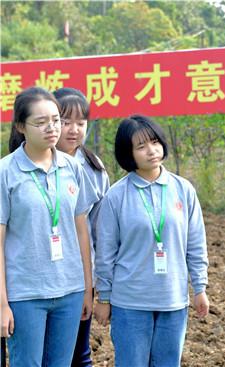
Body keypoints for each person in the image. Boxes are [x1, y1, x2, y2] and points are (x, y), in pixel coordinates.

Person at [94, 114, 209, 367]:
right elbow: (105, 253)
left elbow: (196, 243)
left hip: (173, 300)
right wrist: (103, 297)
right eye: (141, 146)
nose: (151, 151)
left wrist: (200, 288)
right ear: (128, 153)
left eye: (155, 142)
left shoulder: (183, 189)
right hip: (130, 302)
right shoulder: (116, 196)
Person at [0, 87, 94, 365]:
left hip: (69, 291)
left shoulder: (73, 167)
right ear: (20, 127)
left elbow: (81, 230)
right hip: (25, 294)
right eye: (40, 123)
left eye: (56, 120)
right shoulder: (6, 173)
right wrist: (2, 303)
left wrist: (87, 288)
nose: (51, 128)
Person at [53, 87, 110, 367]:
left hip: (79, 276)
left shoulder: (94, 168)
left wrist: (97, 282)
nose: (74, 130)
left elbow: (102, 231)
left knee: (79, 353)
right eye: (66, 122)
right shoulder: (23, 165)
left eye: (81, 123)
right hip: (39, 276)